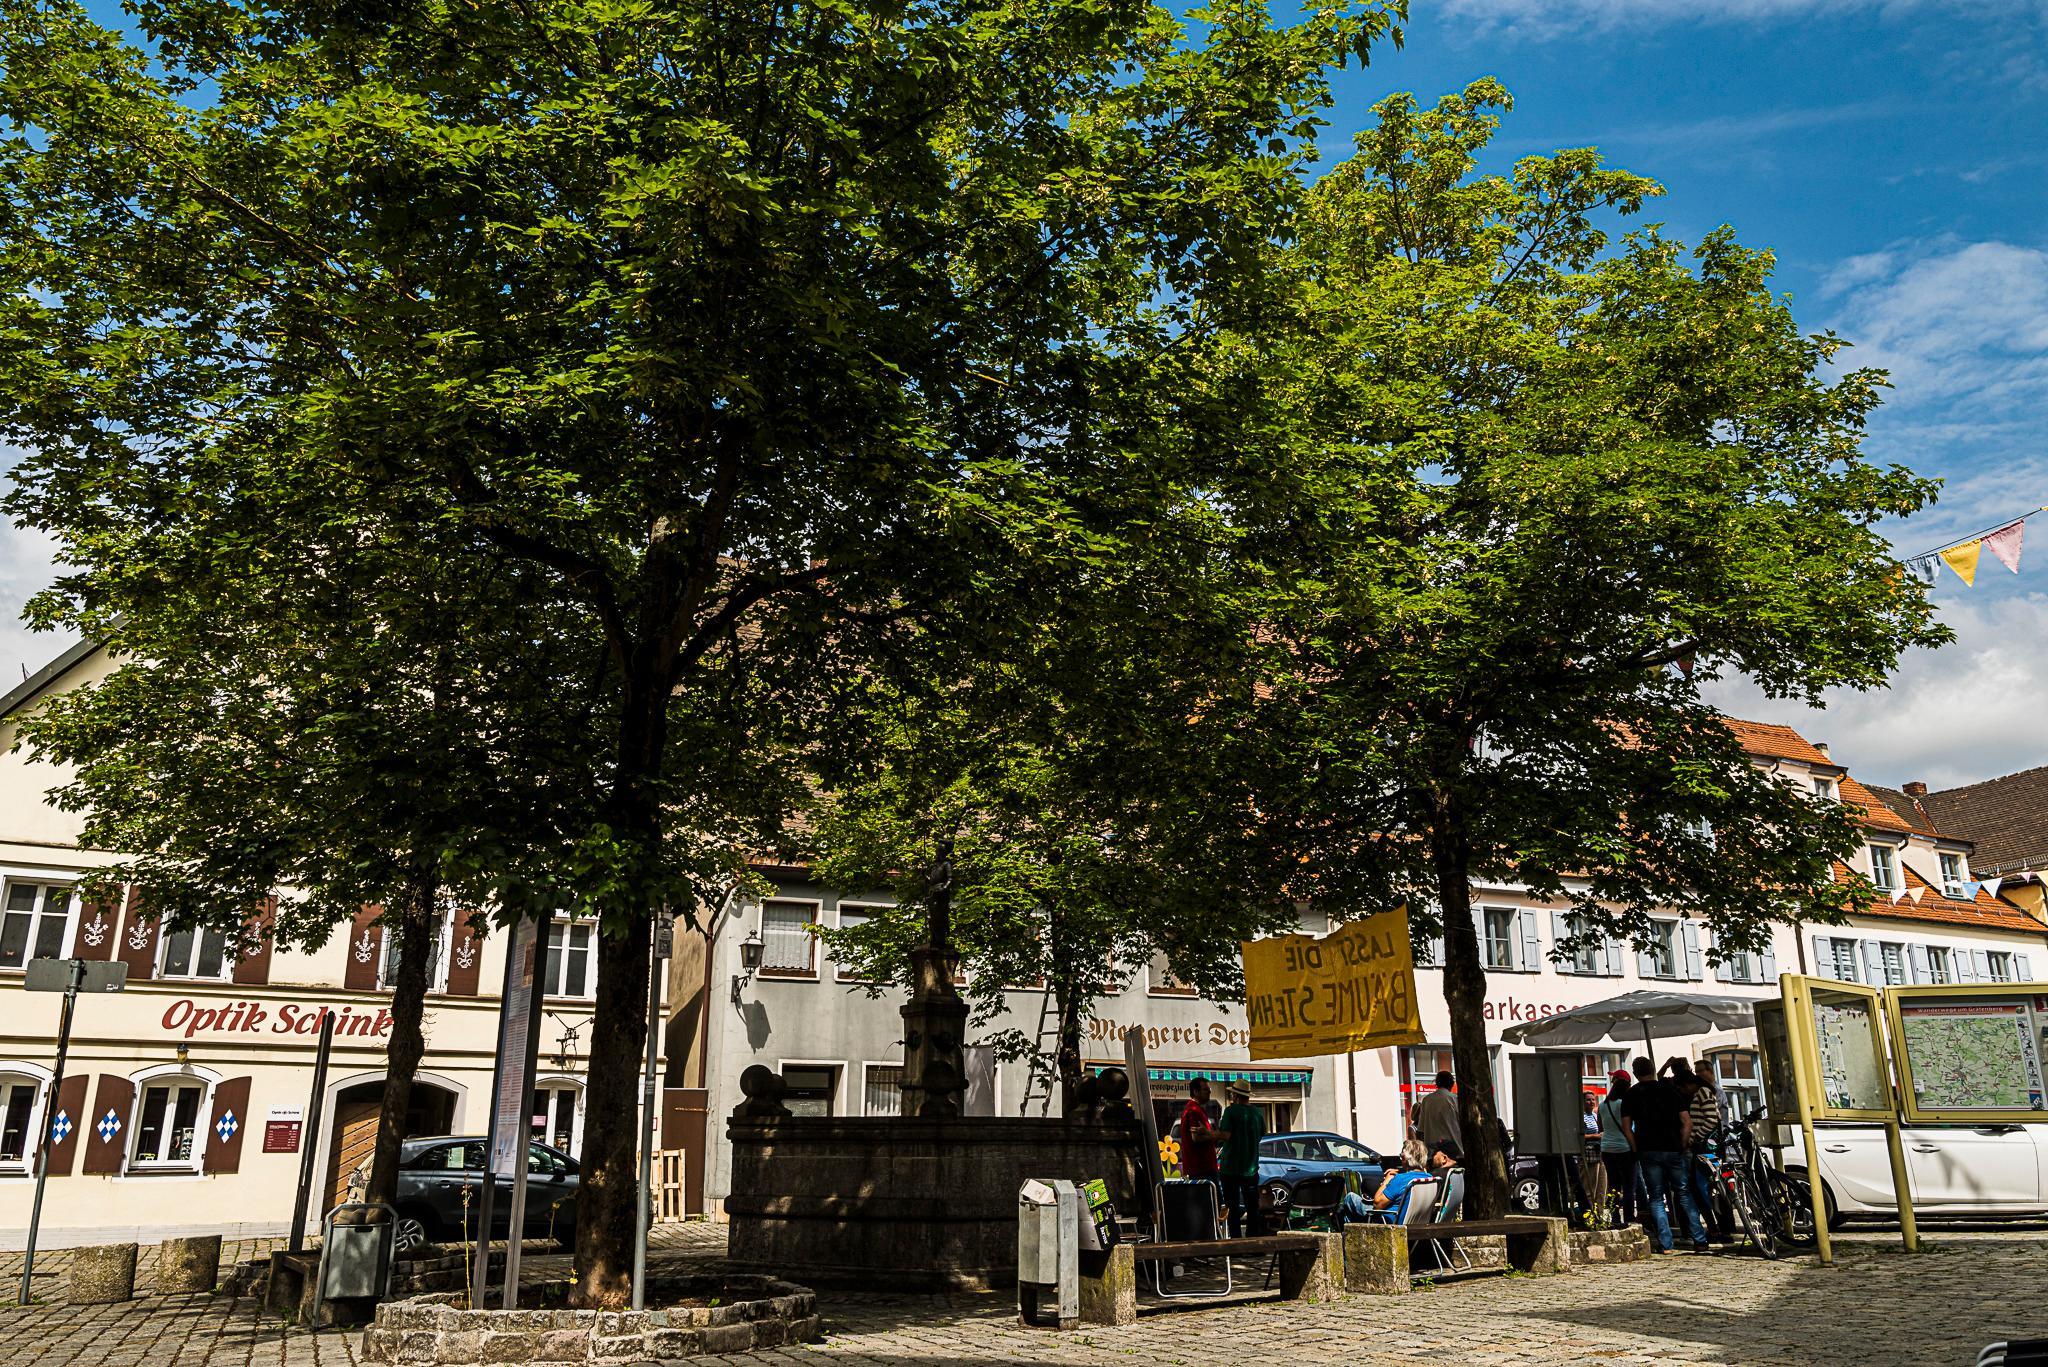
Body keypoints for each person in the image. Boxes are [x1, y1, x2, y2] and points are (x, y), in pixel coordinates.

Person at [1621, 1055, 1708, 1254]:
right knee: (1684, 1193)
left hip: (1647, 1150)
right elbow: (1687, 1122)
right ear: (1652, 1069)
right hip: (1673, 1148)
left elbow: (1627, 1128)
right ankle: (1700, 1240)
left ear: (1635, 1073)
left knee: (1656, 1197)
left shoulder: (1631, 1094)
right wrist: (1683, 1144)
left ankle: (1666, 1244)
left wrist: (1635, 1148)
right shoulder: (1670, 1090)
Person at [1215, 1081, 1266, 1238]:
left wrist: (1209, 1134)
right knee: (1252, 1207)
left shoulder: (1231, 1111)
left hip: (1230, 1167)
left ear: (1235, 1095)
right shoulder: (1257, 1113)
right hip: (1251, 1168)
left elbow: (1225, 1135)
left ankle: (1236, 1241)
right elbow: (1262, 1133)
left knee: (1232, 1206)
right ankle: (1253, 1241)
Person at [1597, 1071, 1638, 1229]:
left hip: (1607, 1148)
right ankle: (1628, 1218)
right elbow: (1628, 1128)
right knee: (1629, 1186)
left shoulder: (1602, 1105)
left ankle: (1614, 1217)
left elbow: (1601, 1127)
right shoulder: (1624, 1104)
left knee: (1613, 1186)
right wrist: (1635, 1149)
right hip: (1624, 1148)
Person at [1177, 1078, 1222, 1193]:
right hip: (1202, 1168)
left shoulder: (1194, 1109)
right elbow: (1196, 1137)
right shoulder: (1194, 1110)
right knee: (1211, 1204)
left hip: (1200, 1168)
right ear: (1196, 1092)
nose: (1209, 1092)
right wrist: (1215, 1136)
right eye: (1205, 1089)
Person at [1411, 1070, 1462, 1157]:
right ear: (1452, 1084)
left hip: (1432, 1150)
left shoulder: (1427, 1100)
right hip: (1454, 1148)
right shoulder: (1454, 1099)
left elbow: (1420, 1130)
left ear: (1436, 1083)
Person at [1581, 1092, 1609, 1213]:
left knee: (1602, 1187)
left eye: (1593, 1099)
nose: (1592, 1102)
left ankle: (1600, 1215)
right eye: (1588, 1100)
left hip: (1600, 1152)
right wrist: (1596, 1136)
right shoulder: (1580, 1117)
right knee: (1590, 1187)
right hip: (1588, 1154)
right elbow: (1579, 1136)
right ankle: (1589, 1214)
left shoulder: (1595, 1115)